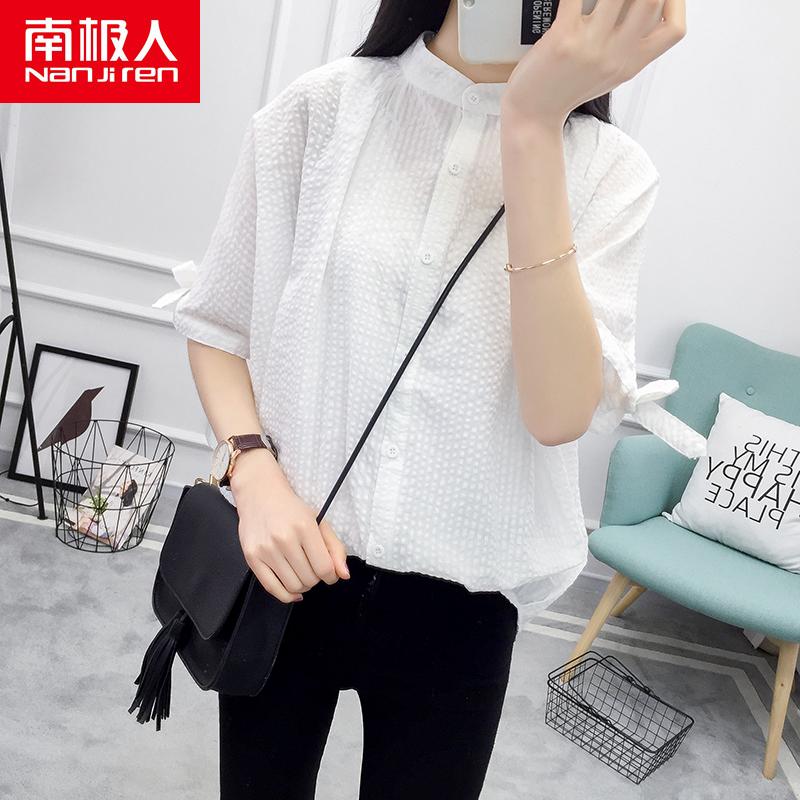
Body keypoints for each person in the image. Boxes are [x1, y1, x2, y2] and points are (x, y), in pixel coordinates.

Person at [169, 1, 688, 797]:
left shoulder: (609, 171)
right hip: (290, 560)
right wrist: (256, 476)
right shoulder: (323, 109)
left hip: (462, 607)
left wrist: (531, 125)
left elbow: (558, 414)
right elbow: (216, 321)